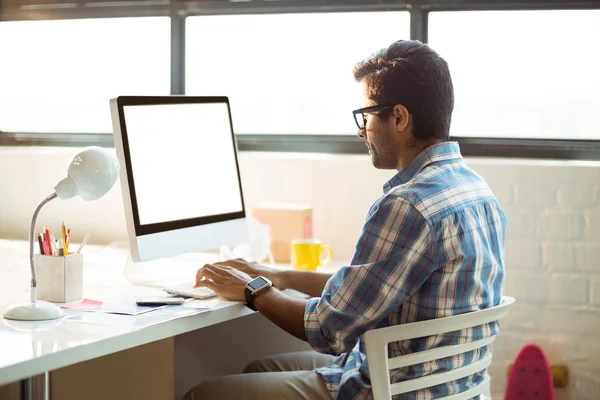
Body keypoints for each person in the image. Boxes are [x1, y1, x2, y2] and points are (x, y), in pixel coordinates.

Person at [183, 39, 506, 400]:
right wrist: (282, 276)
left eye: (365, 117)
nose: (361, 131)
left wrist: (252, 290)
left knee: (203, 395)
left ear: (399, 118)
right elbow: (367, 288)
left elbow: (327, 329)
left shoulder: (408, 204)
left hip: (389, 390)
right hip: (447, 387)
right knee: (258, 371)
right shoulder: (475, 191)